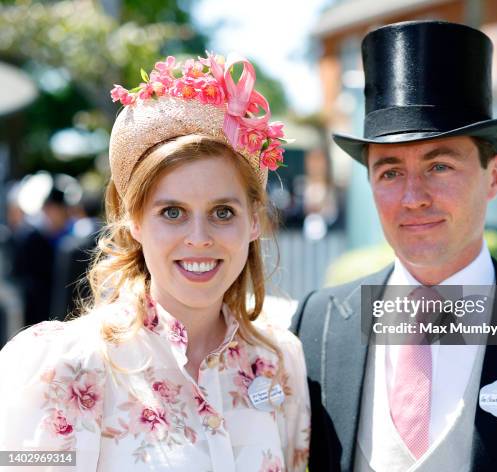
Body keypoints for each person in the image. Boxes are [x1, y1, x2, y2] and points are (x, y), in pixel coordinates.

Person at [291, 20, 497, 472]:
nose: (413, 196)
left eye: (439, 166)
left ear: (494, 176)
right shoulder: (318, 321)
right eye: (389, 171)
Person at [0, 52, 310, 471]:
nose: (199, 239)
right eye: (172, 212)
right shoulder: (64, 365)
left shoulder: (280, 361)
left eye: (222, 212)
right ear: (134, 223)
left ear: (254, 221)